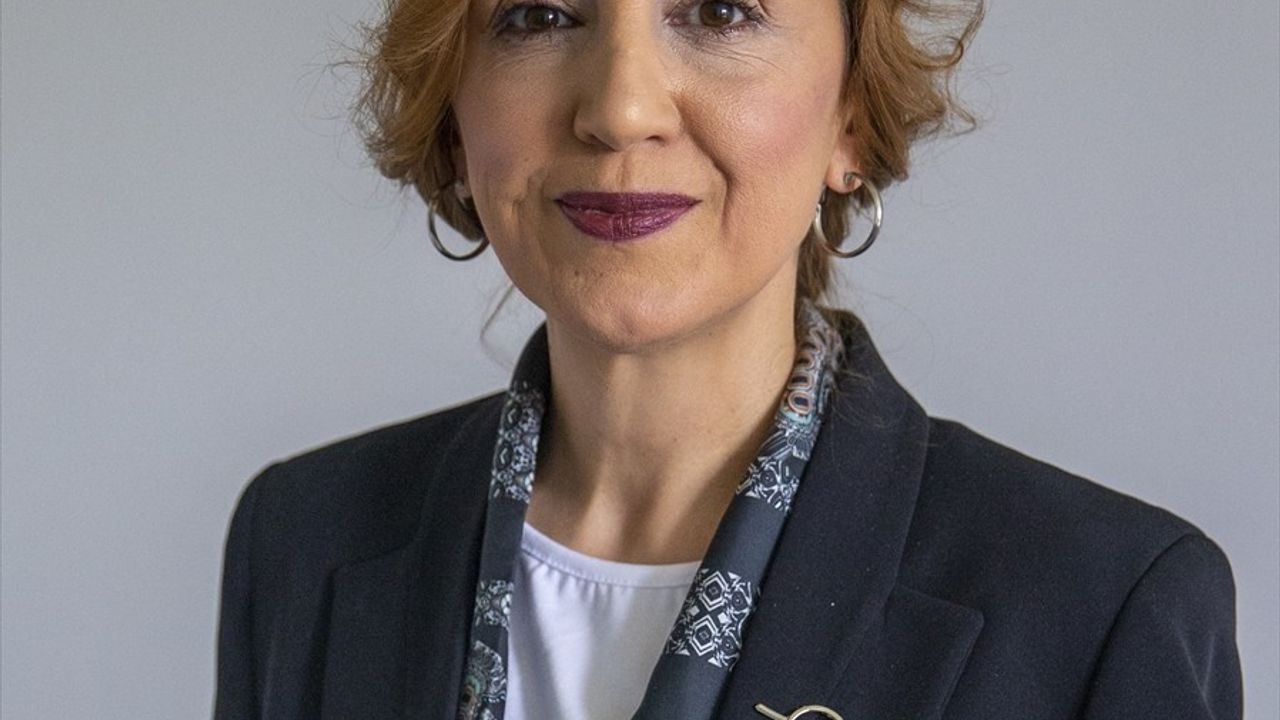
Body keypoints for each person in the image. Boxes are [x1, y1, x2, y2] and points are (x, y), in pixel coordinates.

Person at [213, 1, 1243, 718]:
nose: (620, 109)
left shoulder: (1102, 603)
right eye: (537, 15)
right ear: (453, 116)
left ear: (850, 116)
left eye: (718, 11)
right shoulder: (302, 538)